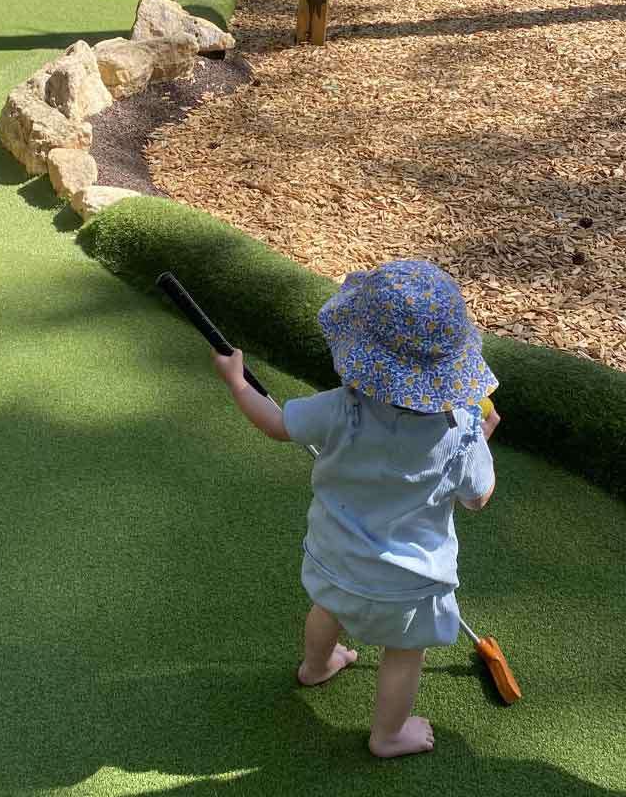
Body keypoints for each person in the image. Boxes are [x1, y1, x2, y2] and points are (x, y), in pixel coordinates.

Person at [212, 259, 500, 759]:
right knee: (404, 652)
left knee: (329, 608)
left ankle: (316, 667)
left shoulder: (342, 406)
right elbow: (478, 498)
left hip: (335, 555)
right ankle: (388, 735)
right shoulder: (462, 430)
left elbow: (278, 424)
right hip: (408, 583)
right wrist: (482, 438)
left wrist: (239, 384)